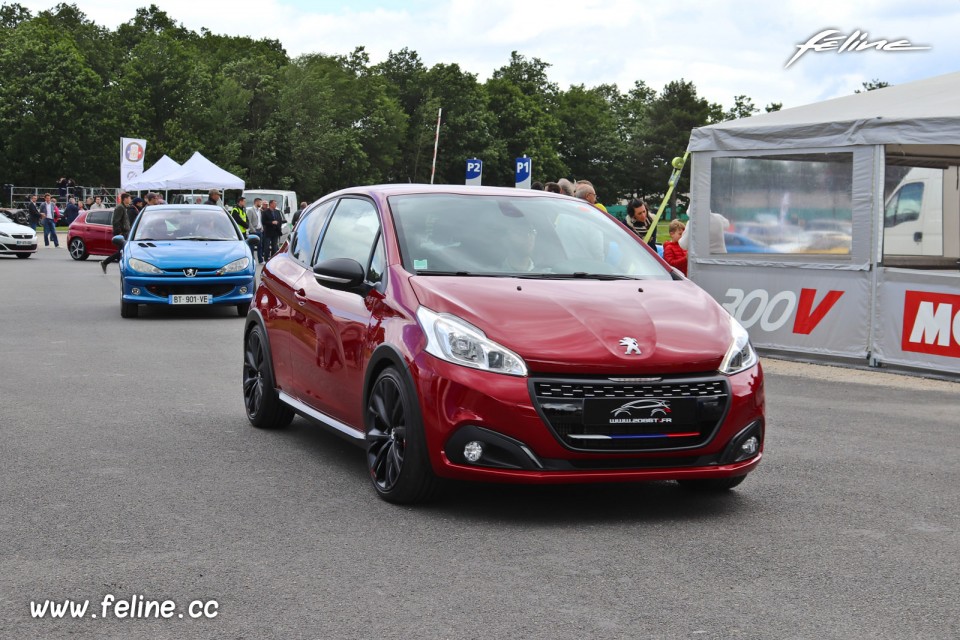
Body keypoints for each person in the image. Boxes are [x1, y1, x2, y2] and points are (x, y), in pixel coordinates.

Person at [100, 192, 133, 272]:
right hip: (121, 233)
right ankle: (105, 262)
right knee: (122, 251)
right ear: (125, 199)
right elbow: (116, 221)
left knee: (122, 252)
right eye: (129, 198)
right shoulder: (120, 208)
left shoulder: (124, 207)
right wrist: (119, 232)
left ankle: (106, 263)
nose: (130, 200)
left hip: (125, 232)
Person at [248, 198, 264, 263]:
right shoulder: (250, 210)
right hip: (254, 231)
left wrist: (262, 227)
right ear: (256, 202)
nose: (261, 204)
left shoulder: (259, 211)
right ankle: (252, 259)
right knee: (252, 247)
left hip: (260, 230)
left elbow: (259, 220)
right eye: (260, 202)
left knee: (260, 246)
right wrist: (253, 229)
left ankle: (260, 260)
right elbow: (249, 221)